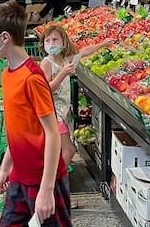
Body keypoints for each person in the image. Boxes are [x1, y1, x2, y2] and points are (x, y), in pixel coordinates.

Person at [0, 0, 79, 227]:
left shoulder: (33, 78)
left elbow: (53, 133)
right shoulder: (7, 74)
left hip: (44, 179)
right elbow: (16, 128)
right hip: (20, 177)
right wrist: (5, 167)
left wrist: (46, 190)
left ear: (4, 38)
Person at [38, 24, 112, 169]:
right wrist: (63, 73)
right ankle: (52, 179)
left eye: (55, 40)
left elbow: (83, 52)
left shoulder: (65, 59)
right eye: (48, 40)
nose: (51, 44)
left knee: (59, 150)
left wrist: (102, 44)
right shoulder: (47, 63)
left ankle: (52, 177)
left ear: (63, 42)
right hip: (52, 114)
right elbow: (46, 89)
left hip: (61, 113)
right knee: (69, 150)